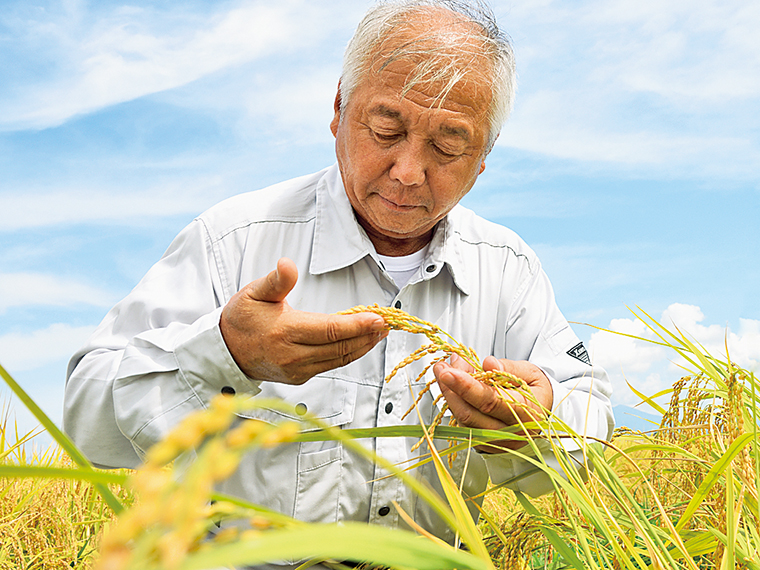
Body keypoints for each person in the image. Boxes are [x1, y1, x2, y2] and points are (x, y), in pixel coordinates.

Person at [64, 0, 614, 556]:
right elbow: (87, 418)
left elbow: (589, 408)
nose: (407, 171)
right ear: (338, 109)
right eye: (385, 129)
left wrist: (540, 416)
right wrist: (225, 355)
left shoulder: (507, 268)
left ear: (483, 159)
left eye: (448, 146)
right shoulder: (233, 238)